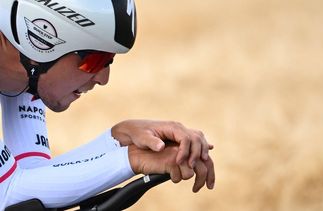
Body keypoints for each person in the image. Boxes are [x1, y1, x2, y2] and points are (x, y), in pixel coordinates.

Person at [0, 0, 215, 209]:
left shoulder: (25, 72)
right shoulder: (30, 66)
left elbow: (34, 177)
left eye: (109, 60)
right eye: (95, 60)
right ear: (40, 38)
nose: (104, 78)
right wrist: (132, 159)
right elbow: (9, 193)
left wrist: (118, 139)